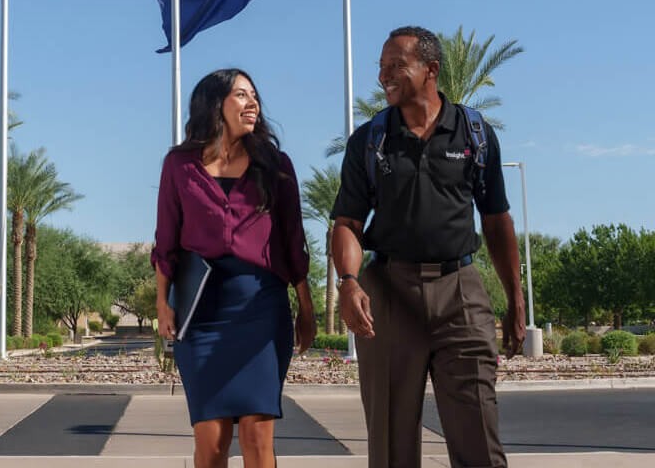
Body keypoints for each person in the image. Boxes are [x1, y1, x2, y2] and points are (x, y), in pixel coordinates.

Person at [330, 26, 526, 468]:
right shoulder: (369, 140)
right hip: (390, 295)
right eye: (380, 67)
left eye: (396, 65)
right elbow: (347, 223)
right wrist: (347, 283)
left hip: (461, 291)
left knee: (479, 438)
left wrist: (516, 297)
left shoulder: (474, 133)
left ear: (431, 69)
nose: (384, 76)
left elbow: (496, 220)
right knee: (392, 446)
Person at [151, 68, 316, 468]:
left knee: (258, 439)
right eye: (241, 95)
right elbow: (166, 240)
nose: (253, 102)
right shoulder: (179, 165)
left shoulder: (276, 165)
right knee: (212, 443)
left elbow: (294, 241)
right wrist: (162, 301)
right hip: (202, 314)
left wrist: (306, 307)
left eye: (254, 95)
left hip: (261, 309)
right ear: (215, 104)